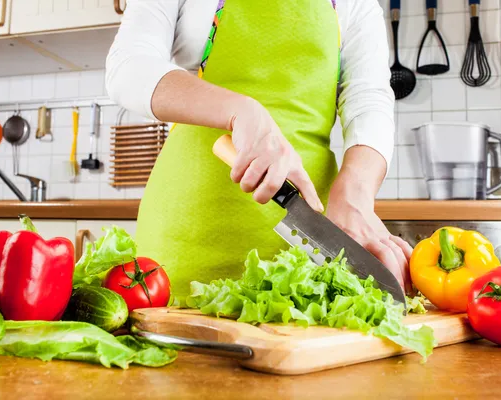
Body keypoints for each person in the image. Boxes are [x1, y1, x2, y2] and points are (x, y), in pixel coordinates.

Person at [105, 0, 412, 298]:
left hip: (309, 243)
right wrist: (240, 111)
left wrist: (355, 192)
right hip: (181, 236)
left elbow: (368, 98)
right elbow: (130, 65)